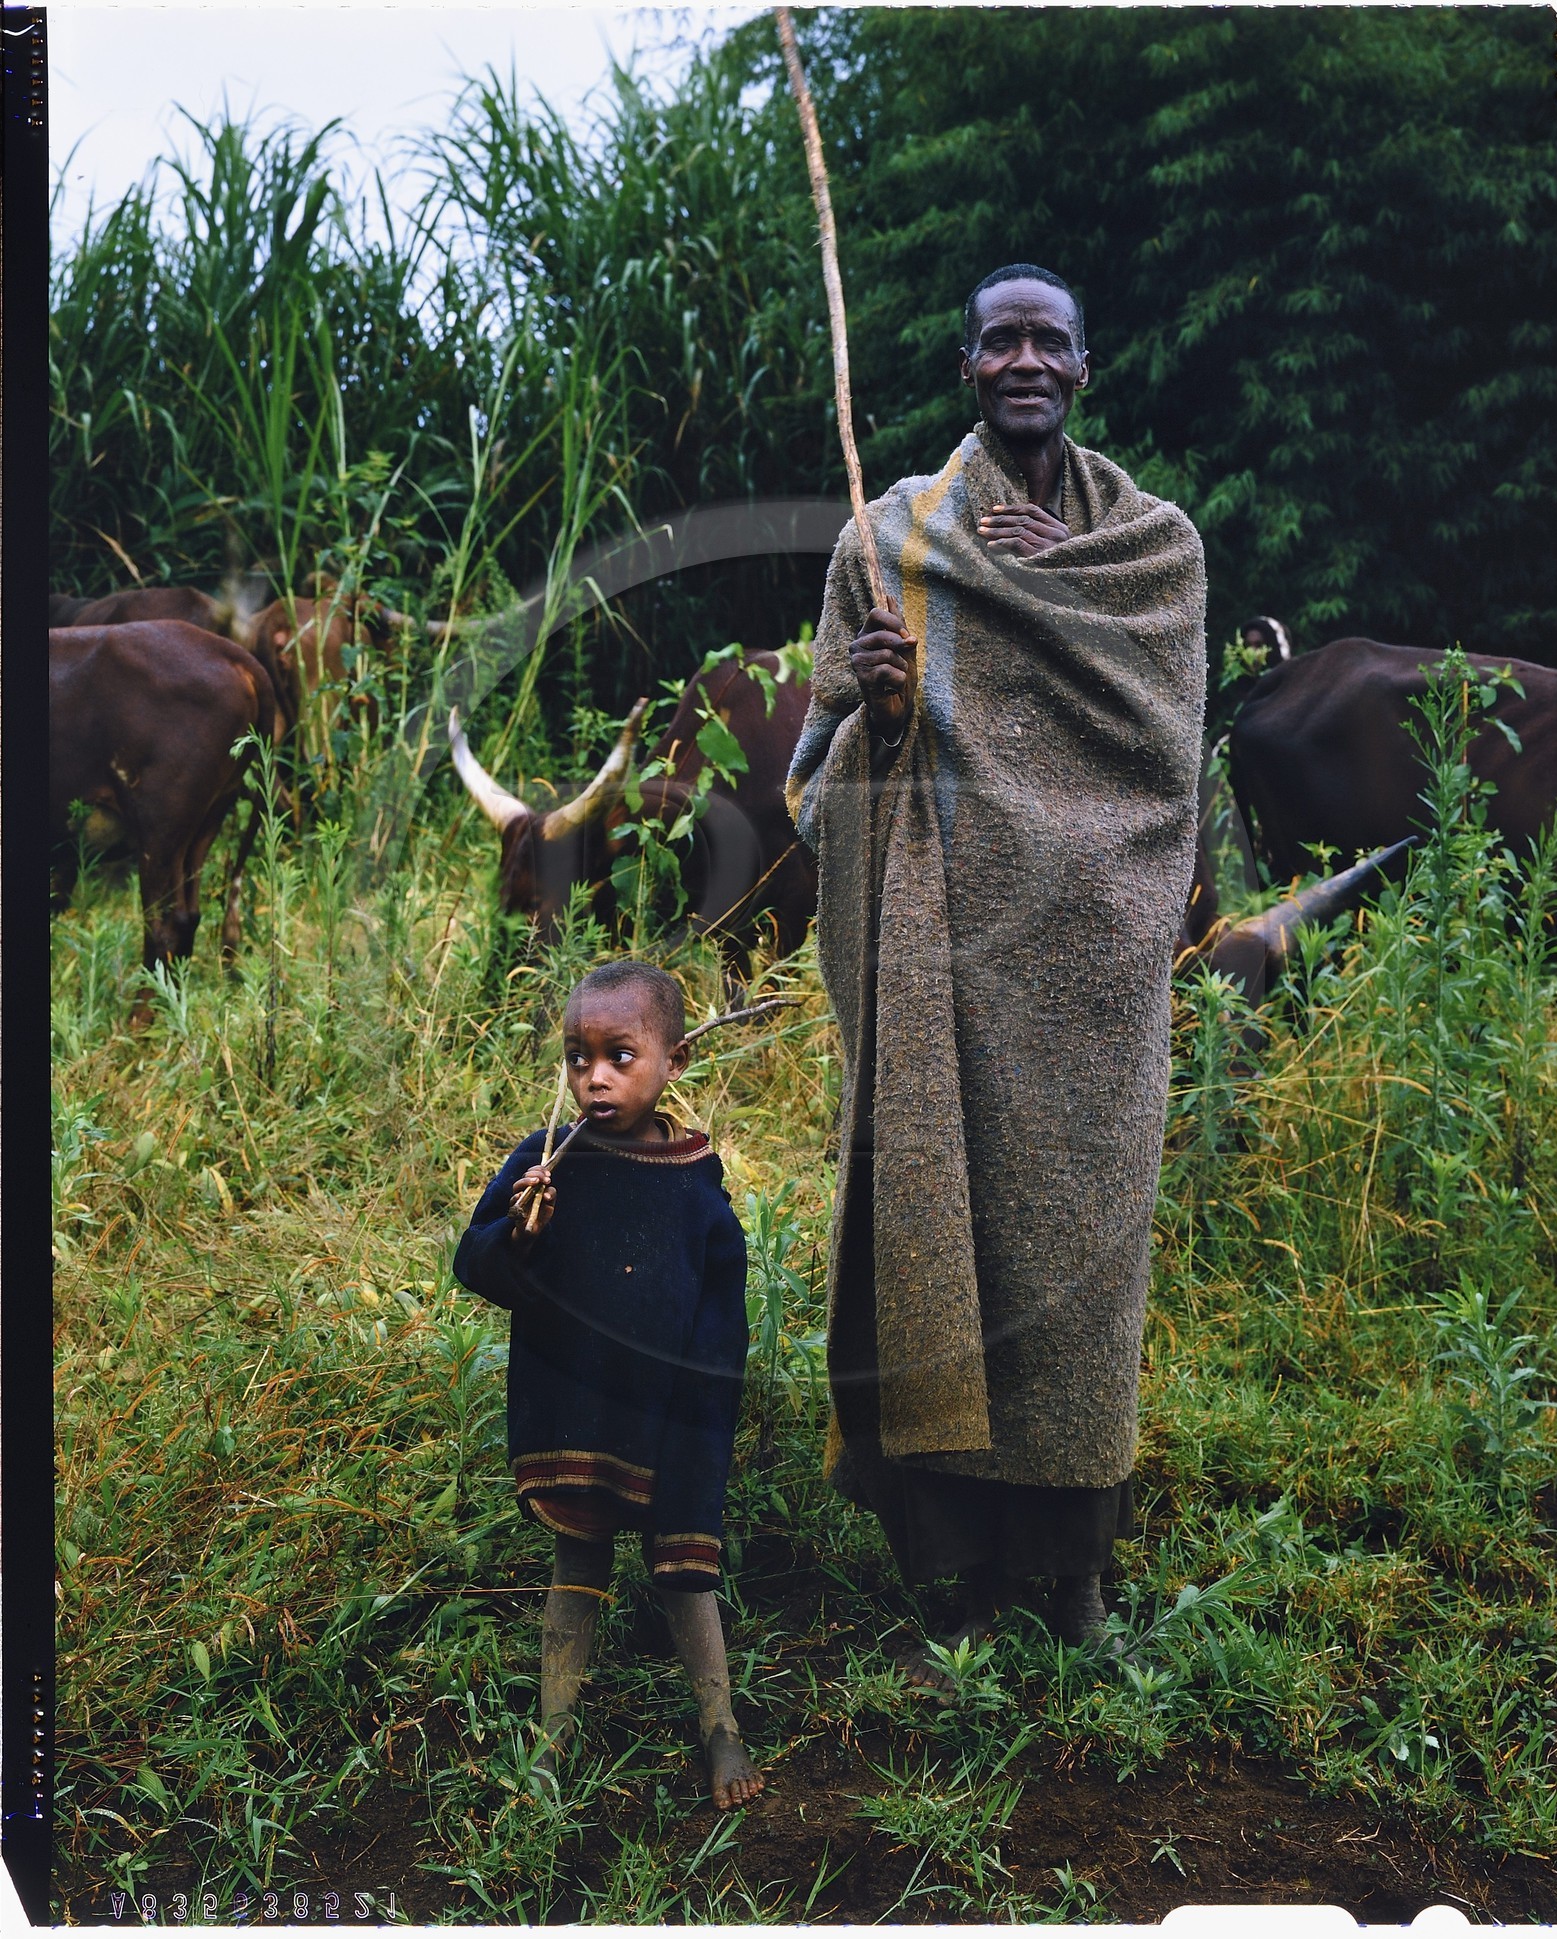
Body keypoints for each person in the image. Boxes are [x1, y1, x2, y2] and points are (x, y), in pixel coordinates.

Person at [787, 263, 1208, 1683]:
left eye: (1049, 337)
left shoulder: (1156, 550)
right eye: (999, 338)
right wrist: (883, 719)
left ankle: (1072, 1571)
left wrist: (1034, 595)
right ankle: (952, 1579)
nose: (1024, 356)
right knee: (934, 1250)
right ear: (969, 365)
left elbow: (1163, 763)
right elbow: (812, 785)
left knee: (1080, 1272)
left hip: (1090, 979)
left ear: (1084, 366)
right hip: (937, 964)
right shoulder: (889, 539)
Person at [452, 962, 764, 1809]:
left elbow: (719, 1323)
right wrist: (523, 1234)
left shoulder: (697, 1180)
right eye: (577, 1056)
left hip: (670, 1422)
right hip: (576, 1412)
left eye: (620, 1055)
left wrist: (704, 1427)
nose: (594, 1076)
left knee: (684, 1573)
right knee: (576, 1556)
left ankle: (719, 1724)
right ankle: (556, 1727)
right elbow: (472, 1261)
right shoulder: (550, 1161)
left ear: (674, 1061)